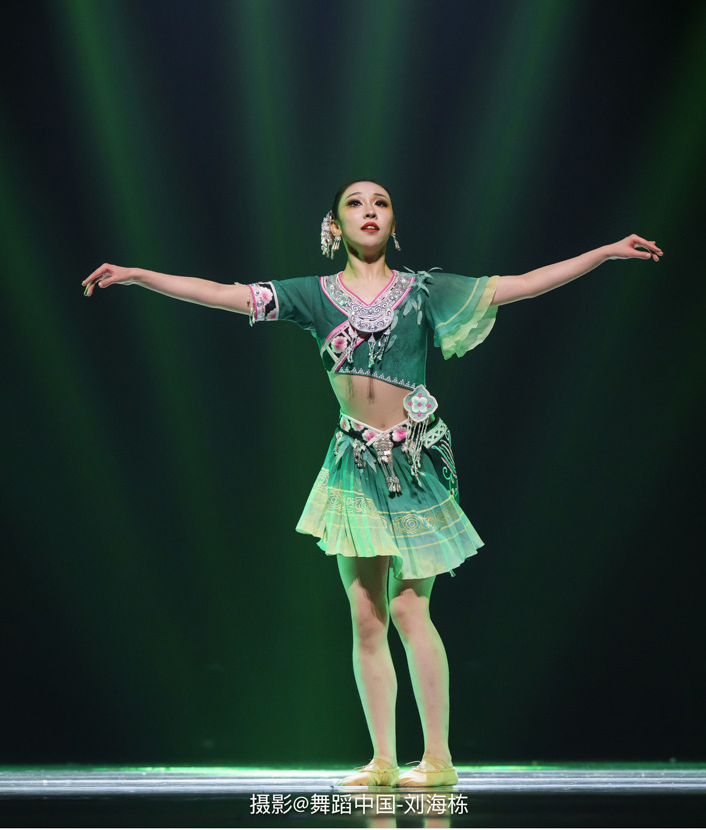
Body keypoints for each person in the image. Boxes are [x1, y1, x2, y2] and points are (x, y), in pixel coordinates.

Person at [81, 179, 662, 788]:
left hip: (414, 462)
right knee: (366, 616)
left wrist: (602, 253)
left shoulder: (423, 291)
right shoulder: (313, 295)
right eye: (355, 204)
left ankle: (437, 759)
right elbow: (223, 294)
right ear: (334, 226)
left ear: (393, 223)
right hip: (353, 463)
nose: (369, 211)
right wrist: (140, 275)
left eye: (380, 203)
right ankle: (383, 759)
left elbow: (520, 284)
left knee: (411, 609)